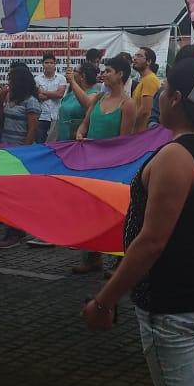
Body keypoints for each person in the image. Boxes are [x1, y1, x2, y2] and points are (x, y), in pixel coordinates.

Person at [83, 58, 194, 386]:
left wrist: (105, 300)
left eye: (165, 90)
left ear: (178, 99)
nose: (161, 95)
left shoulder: (176, 157)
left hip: (172, 301)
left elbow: (153, 241)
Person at [71, 54, 137, 274]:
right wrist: (80, 134)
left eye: (109, 70)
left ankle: (119, 261)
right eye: (104, 70)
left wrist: (102, 148)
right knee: (92, 212)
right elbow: (85, 124)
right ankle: (93, 256)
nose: (104, 74)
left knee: (116, 215)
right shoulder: (98, 99)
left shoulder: (128, 105)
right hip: (91, 165)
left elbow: (124, 141)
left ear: (120, 75)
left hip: (114, 168)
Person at [0, 62, 43, 249]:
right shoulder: (10, 98)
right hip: (6, 147)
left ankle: (14, 231)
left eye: (11, 79)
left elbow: (32, 130)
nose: (8, 82)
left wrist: (24, 153)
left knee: (13, 193)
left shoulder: (31, 102)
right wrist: (0, 101)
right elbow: (1, 119)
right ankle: (15, 227)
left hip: (19, 151)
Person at [55, 61, 99, 142]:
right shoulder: (71, 93)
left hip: (76, 140)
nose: (72, 73)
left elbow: (88, 105)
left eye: (75, 71)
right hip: (62, 138)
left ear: (83, 76)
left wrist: (72, 81)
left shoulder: (94, 94)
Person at [34, 52, 66, 141]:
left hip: (56, 116)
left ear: (55, 64)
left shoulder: (61, 78)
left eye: (51, 63)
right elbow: (38, 96)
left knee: (53, 144)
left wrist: (43, 92)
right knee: (40, 142)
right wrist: (53, 94)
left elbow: (60, 95)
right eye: (46, 63)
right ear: (42, 64)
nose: (49, 65)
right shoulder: (37, 79)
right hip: (41, 116)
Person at [131, 47, 161, 132]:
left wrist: (130, 124)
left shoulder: (150, 80)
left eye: (139, 56)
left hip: (142, 133)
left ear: (149, 61)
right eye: (135, 55)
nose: (135, 58)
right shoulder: (144, 79)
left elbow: (146, 110)